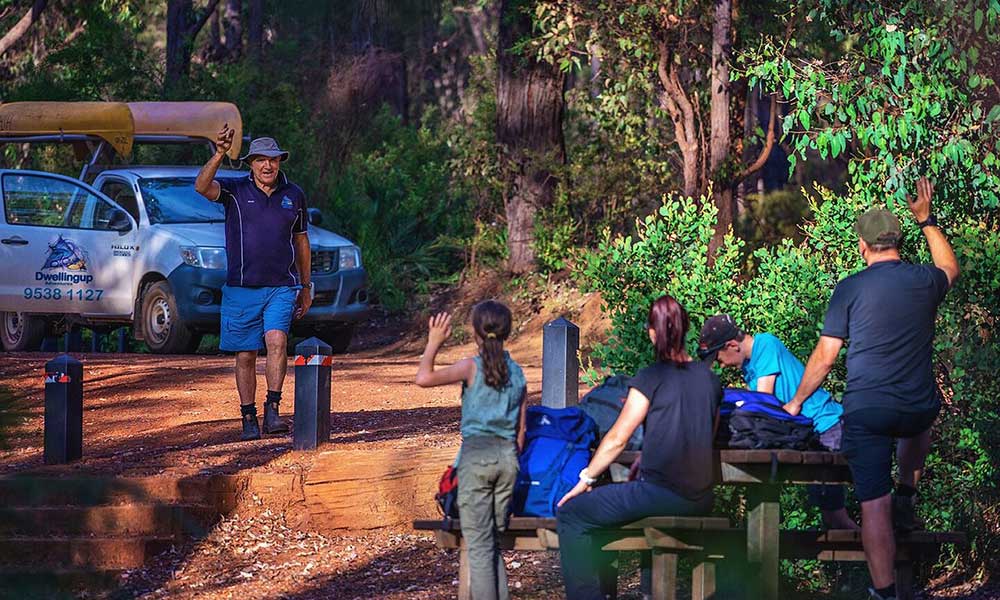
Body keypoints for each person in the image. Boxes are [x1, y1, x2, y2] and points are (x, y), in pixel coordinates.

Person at [783, 177, 959, 600]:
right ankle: (908, 493)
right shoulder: (923, 282)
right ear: (899, 241)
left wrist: (796, 401)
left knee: (871, 506)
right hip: (916, 407)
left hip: (866, 411)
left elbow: (825, 357)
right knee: (922, 417)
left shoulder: (850, 288)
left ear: (863, 245)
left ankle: (883, 593)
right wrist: (927, 219)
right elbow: (950, 269)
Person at [556, 295, 722, 600]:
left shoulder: (650, 378)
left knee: (572, 514)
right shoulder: (710, 380)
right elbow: (704, 437)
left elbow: (619, 437)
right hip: (701, 498)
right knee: (610, 515)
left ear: (651, 333)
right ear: (686, 328)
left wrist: (586, 479)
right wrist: (647, 456)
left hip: (661, 494)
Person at [194, 128, 312, 440]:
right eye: (260, 160)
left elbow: (301, 242)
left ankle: (273, 409)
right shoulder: (234, 190)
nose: (267, 166)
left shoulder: (294, 195)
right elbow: (201, 186)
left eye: (272, 160)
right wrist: (219, 153)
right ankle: (249, 416)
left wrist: (306, 286)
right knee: (245, 354)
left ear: (280, 162)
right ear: (251, 164)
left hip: (281, 287)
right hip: (241, 288)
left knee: (277, 342)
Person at [698, 315, 858, 530]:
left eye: (719, 358)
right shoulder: (749, 366)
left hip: (825, 426)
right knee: (831, 518)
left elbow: (763, 404)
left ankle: (881, 555)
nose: (722, 365)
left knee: (835, 515)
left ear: (732, 345)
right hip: (809, 432)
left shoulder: (765, 345)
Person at [415, 300, 527, 600]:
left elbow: (423, 378)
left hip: (477, 459)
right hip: (507, 462)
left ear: (476, 332)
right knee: (490, 543)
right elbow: (520, 433)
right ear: (507, 332)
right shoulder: (518, 374)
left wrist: (434, 343)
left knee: (478, 548)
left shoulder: (471, 367)